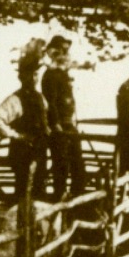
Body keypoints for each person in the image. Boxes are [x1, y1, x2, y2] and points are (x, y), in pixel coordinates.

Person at [0, 40, 49, 204]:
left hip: (39, 151)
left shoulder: (40, 98)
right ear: (22, 76)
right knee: (22, 193)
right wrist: (16, 135)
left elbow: (44, 120)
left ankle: (34, 227)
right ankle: (21, 226)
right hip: (22, 153)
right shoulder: (15, 99)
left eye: (36, 74)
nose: (34, 78)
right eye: (30, 74)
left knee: (38, 192)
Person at [41, 35, 84, 202]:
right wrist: (55, 124)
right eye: (62, 50)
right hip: (59, 127)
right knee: (61, 165)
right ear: (54, 52)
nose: (65, 53)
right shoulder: (50, 75)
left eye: (67, 50)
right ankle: (59, 199)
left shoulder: (63, 73)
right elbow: (50, 102)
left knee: (78, 165)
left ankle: (77, 200)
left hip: (68, 124)